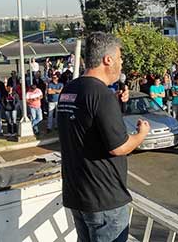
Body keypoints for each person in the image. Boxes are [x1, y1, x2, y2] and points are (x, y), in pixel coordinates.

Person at [57, 32, 150, 242]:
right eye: (119, 57)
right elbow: (119, 147)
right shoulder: (101, 95)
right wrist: (141, 134)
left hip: (78, 196)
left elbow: (87, 125)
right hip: (104, 200)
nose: (121, 62)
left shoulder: (69, 90)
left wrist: (115, 103)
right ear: (107, 59)